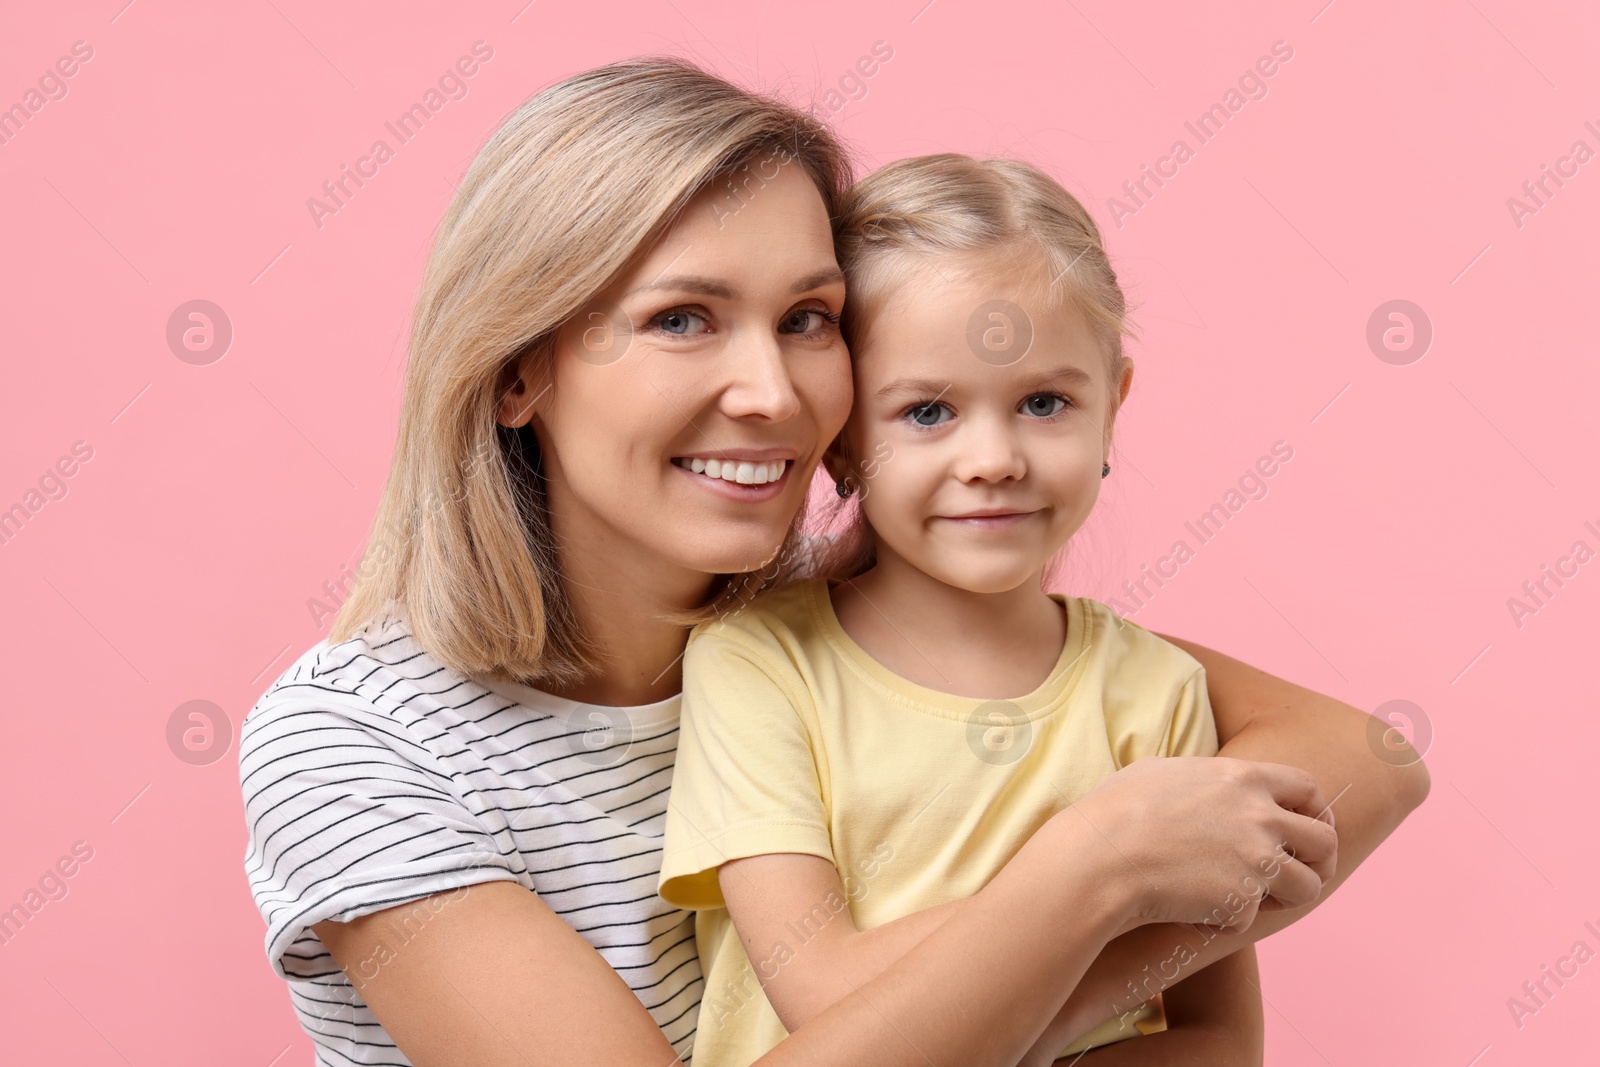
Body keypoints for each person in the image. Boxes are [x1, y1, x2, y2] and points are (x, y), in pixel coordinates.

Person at [238, 56, 1428, 1066]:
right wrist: (1093, 876)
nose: (771, 394)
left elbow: (1363, 762)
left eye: (807, 317)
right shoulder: (354, 744)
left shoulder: (869, 635)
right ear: (515, 371)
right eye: (681, 318)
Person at [659, 151, 1313, 1066]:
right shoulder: (760, 661)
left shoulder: (1158, 692)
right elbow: (823, 991)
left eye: (1044, 401)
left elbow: (1217, 1033)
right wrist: (1093, 883)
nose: (994, 458)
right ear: (842, 443)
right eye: (927, 413)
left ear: (1112, 411)